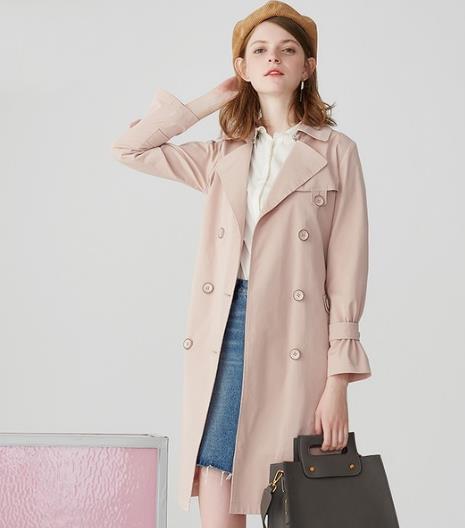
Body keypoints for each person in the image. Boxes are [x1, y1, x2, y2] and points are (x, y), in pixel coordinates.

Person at [112, 1, 372, 526]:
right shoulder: (222, 155)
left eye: (288, 49)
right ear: (243, 67)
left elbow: (347, 266)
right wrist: (212, 99)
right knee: (217, 462)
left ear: (308, 66)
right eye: (259, 50)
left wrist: (338, 381)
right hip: (228, 322)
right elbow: (129, 149)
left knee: (291, 478)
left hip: (298, 330)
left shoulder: (336, 151)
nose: (273, 58)